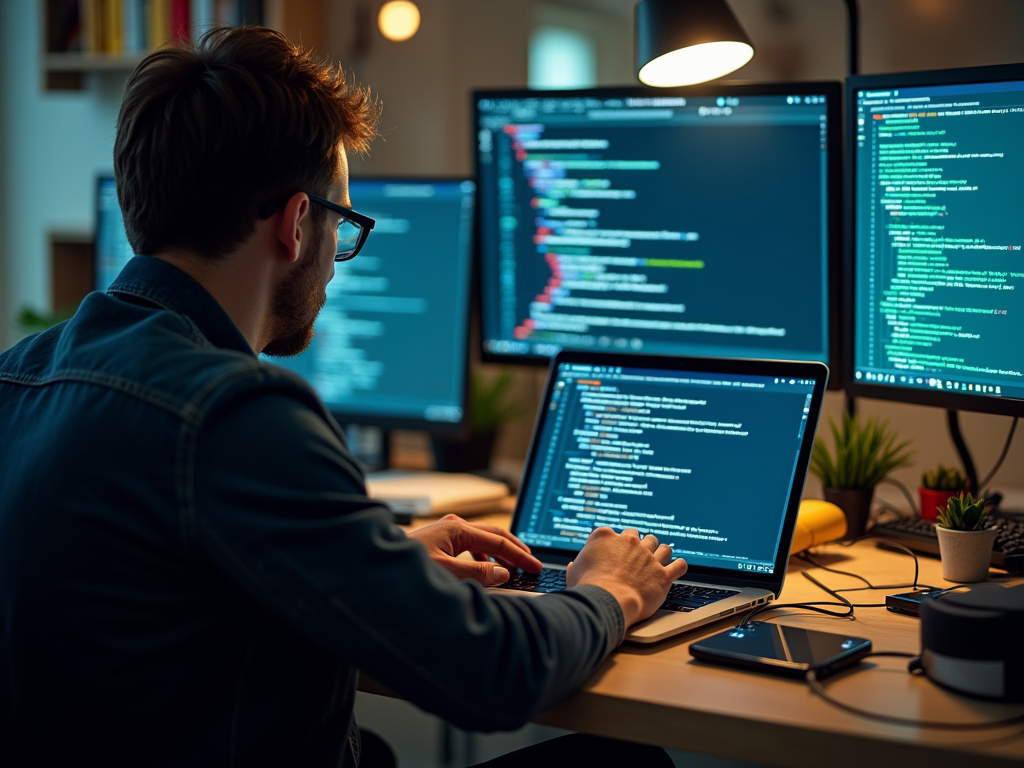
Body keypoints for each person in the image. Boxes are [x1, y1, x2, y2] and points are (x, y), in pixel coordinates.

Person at [0, 27, 686, 767]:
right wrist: (610, 593)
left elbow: (154, 611)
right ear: (298, 224)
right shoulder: (236, 410)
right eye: (344, 224)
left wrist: (371, 562)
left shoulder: (16, 376)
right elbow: (495, 673)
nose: (338, 257)